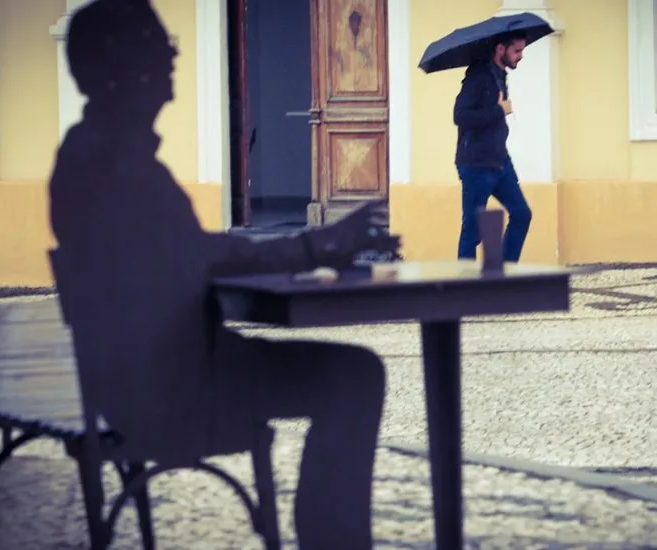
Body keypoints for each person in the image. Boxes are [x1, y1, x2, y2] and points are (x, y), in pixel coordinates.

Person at [50, 0, 400, 547]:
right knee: (353, 376)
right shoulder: (115, 166)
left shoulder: (91, 155)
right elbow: (196, 259)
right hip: (173, 391)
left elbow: (187, 256)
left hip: (132, 384)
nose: (171, 56)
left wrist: (313, 248)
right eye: (157, 42)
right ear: (120, 62)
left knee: (351, 372)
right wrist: (317, 245)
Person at [453, 30, 533, 263]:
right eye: (517, 50)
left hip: (499, 160)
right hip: (476, 163)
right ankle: (464, 285)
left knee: (521, 214)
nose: (521, 55)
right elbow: (460, 116)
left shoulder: (499, 75)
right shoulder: (477, 78)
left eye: (522, 50)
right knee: (472, 229)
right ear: (500, 49)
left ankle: (506, 272)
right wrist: (499, 110)